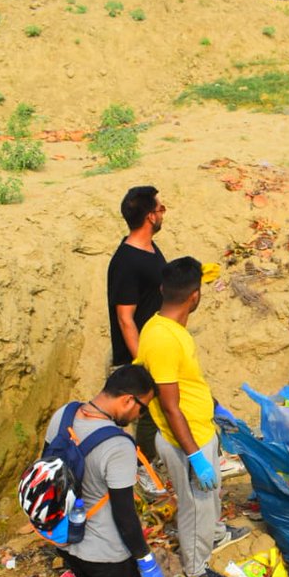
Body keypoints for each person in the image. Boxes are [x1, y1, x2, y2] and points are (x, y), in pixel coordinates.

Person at [43, 365, 199, 577]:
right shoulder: (118, 446)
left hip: (68, 540)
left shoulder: (64, 415)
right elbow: (125, 514)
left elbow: (47, 467)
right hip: (108, 549)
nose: (138, 414)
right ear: (128, 401)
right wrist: (144, 558)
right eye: (141, 407)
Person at [136, 257, 245, 577]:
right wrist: (195, 455)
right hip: (186, 438)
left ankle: (214, 534)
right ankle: (197, 569)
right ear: (194, 297)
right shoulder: (164, 339)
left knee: (209, 497)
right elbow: (170, 406)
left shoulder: (165, 326)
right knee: (194, 506)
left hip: (199, 427)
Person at [106, 186, 168, 475]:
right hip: (140, 353)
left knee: (157, 414)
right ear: (149, 217)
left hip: (156, 345)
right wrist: (142, 363)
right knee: (147, 415)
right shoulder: (127, 261)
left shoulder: (149, 250)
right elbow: (125, 318)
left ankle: (153, 469)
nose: (163, 213)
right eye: (160, 209)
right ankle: (145, 472)